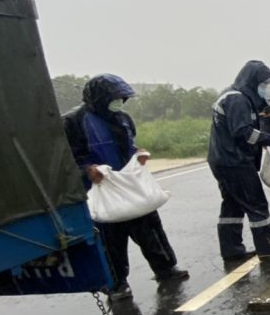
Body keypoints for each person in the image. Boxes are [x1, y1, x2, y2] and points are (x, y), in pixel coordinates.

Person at [63, 74, 189, 301]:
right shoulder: (74, 121)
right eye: (115, 97)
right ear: (101, 98)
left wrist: (138, 154)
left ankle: (165, 269)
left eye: (122, 98)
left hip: (129, 185)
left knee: (150, 228)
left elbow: (129, 145)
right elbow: (67, 159)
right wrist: (87, 170)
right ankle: (117, 284)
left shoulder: (122, 118)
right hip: (102, 189)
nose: (119, 102)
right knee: (111, 240)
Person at [208, 61, 270, 262]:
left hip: (224, 159)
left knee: (232, 206)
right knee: (257, 205)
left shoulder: (236, 96)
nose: (266, 88)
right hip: (234, 162)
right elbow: (242, 132)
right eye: (263, 84)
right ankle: (268, 251)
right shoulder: (237, 99)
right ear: (254, 82)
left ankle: (232, 250)